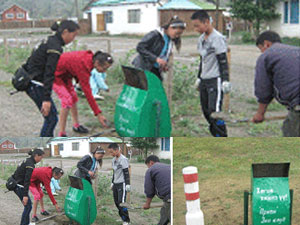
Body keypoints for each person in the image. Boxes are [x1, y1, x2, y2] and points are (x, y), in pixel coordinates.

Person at [23, 20, 79, 137]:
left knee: (51, 118)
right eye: (73, 35)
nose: (73, 39)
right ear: (65, 32)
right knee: (51, 118)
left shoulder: (49, 41)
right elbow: (49, 72)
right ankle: (43, 149)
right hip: (35, 84)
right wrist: (46, 99)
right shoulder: (55, 47)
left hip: (31, 80)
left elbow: (32, 60)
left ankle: (45, 147)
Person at [53, 50, 113, 137]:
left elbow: (72, 66)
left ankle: (76, 125)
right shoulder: (83, 65)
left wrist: (78, 80)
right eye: (104, 69)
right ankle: (61, 133)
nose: (104, 72)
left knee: (73, 97)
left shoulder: (90, 60)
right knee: (67, 101)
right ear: (97, 63)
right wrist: (98, 113)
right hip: (55, 75)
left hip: (66, 75)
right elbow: (88, 93)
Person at [252, 31, 300, 136]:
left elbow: (263, 89)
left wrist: (260, 114)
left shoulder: (266, 56)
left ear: (266, 44)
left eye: (261, 49)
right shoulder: (296, 50)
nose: (262, 52)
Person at [191, 10, 231, 137]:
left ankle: (222, 138)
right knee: (206, 112)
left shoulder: (217, 38)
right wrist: (199, 77)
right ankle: (215, 135)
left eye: (198, 25)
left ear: (207, 22)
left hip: (215, 79)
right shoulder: (201, 39)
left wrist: (225, 80)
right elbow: (202, 60)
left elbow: (223, 61)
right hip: (204, 79)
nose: (196, 29)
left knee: (215, 113)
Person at [132, 16, 186, 81]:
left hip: (155, 68)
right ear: (170, 28)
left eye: (180, 34)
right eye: (177, 33)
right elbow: (140, 47)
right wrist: (156, 59)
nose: (177, 36)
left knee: (157, 87)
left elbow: (163, 54)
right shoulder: (155, 35)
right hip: (144, 67)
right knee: (147, 89)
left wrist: (163, 65)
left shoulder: (170, 40)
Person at [10, 148, 44, 225]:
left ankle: (26, 223)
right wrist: (25, 195)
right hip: (19, 186)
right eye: (41, 157)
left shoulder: (27, 160)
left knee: (28, 206)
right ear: (36, 156)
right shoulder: (30, 165)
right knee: (28, 206)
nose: (41, 159)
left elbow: (18, 172)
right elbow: (27, 180)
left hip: (16, 183)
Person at [143, 155, 171, 225]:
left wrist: (147, 204)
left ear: (151, 163)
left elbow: (149, 189)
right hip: (169, 197)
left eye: (148, 166)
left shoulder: (151, 170)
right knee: (164, 214)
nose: (148, 168)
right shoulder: (168, 166)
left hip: (169, 198)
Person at [108, 143, 131, 225]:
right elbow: (114, 172)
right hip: (116, 183)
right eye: (110, 152)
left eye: (112, 152)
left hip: (122, 183)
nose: (111, 154)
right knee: (117, 203)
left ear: (117, 150)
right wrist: (112, 183)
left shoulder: (123, 159)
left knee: (121, 203)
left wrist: (128, 184)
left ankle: (126, 221)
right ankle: (123, 217)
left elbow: (126, 172)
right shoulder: (113, 160)